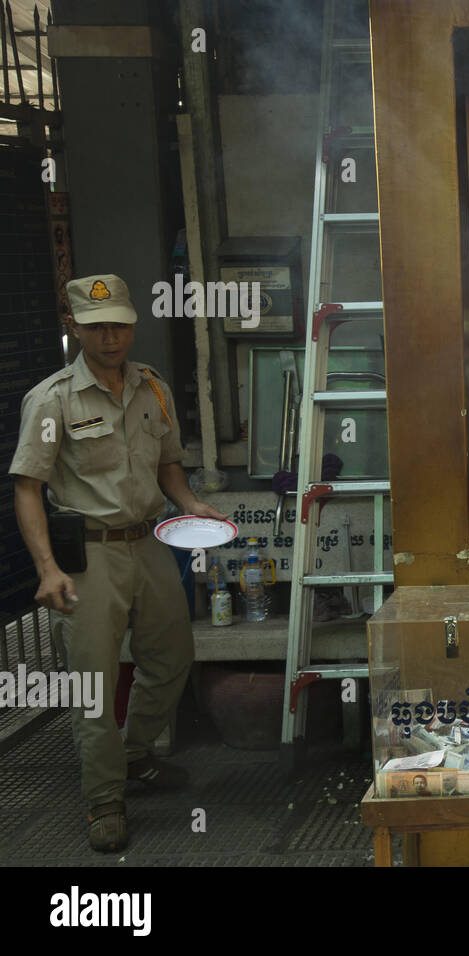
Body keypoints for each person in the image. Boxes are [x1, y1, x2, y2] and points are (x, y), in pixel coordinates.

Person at [8, 274, 226, 853]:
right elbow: (28, 487)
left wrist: (190, 504)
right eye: (97, 326)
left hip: (149, 542)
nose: (111, 337)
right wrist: (47, 569)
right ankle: (105, 799)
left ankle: (131, 756)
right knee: (93, 683)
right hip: (88, 556)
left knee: (173, 655)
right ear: (73, 326)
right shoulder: (52, 398)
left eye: (120, 325)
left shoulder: (151, 388)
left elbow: (169, 466)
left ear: (133, 325)